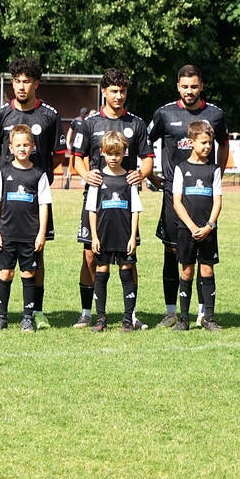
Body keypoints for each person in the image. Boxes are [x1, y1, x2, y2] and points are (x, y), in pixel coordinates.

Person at [0, 57, 65, 329]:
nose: (21, 86)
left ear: (36, 84)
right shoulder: (0, 114)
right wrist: (9, 171)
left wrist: (38, 172)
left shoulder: (49, 115)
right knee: (5, 256)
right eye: (16, 81)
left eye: (26, 81)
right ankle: (2, 313)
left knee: (37, 255)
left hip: (35, 197)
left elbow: (58, 155)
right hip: (9, 200)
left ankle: (36, 312)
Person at [70, 69, 153, 329]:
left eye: (123, 91)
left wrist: (141, 174)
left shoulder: (136, 124)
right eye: (114, 91)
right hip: (97, 197)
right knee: (90, 255)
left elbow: (148, 158)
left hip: (125, 200)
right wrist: (86, 175)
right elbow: (77, 158)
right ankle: (87, 312)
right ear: (104, 91)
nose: (119, 95)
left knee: (129, 255)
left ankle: (132, 314)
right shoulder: (90, 123)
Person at [147, 64, 229, 328]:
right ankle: (172, 311)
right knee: (172, 251)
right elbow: (145, 141)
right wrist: (151, 175)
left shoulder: (215, 114)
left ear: (201, 86)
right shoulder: (164, 113)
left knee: (205, 255)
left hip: (203, 194)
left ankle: (204, 313)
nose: (189, 91)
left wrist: (217, 173)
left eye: (194, 86)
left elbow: (225, 142)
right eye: (185, 87)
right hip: (174, 193)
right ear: (178, 87)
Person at [0, 124, 53, 332]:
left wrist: (41, 233)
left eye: (26, 145)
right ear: (10, 148)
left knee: (28, 274)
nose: (22, 148)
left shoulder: (38, 174)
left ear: (32, 147)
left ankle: (27, 318)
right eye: (18, 145)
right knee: (5, 273)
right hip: (7, 233)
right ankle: (1, 316)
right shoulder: (3, 172)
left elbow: (43, 205)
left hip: (29, 235)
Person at [86, 131, 143, 332]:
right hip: (103, 236)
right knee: (101, 273)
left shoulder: (130, 180)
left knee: (126, 273)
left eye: (117, 154)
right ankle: (100, 318)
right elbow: (91, 210)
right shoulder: (97, 179)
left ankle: (128, 319)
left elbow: (135, 210)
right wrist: (94, 236)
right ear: (102, 152)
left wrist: (133, 237)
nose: (113, 158)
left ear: (124, 153)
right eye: (110, 153)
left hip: (124, 236)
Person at [170, 120, 223, 332]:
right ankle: (183, 319)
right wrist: (192, 227)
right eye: (203, 142)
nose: (207, 147)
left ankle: (209, 317)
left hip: (208, 230)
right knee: (187, 272)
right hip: (187, 230)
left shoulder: (214, 169)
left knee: (207, 270)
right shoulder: (181, 168)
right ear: (190, 142)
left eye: (210, 143)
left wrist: (209, 225)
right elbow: (177, 202)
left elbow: (218, 201)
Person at [63, 107, 89, 190]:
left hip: (86, 146)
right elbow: (70, 131)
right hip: (76, 146)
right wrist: (68, 142)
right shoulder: (76, 120)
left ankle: (85, 178)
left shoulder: (89, 121)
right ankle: (68, 180)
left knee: (86, 163)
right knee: (72, 162)